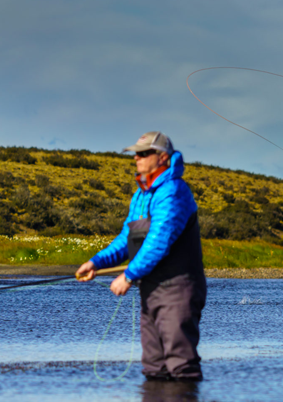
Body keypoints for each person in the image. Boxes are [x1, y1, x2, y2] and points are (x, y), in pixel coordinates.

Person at [76, 131, 207, 380]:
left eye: (144, 153)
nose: (137, 158)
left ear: (162, 158)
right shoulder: (141, 195)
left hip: (178, 290)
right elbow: (127, 239)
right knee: (154, 367)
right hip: (151, 289)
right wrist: (95, 262)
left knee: (181, 367)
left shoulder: (173, 192)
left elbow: (158, 242)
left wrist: (128, 275)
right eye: (136, 153)